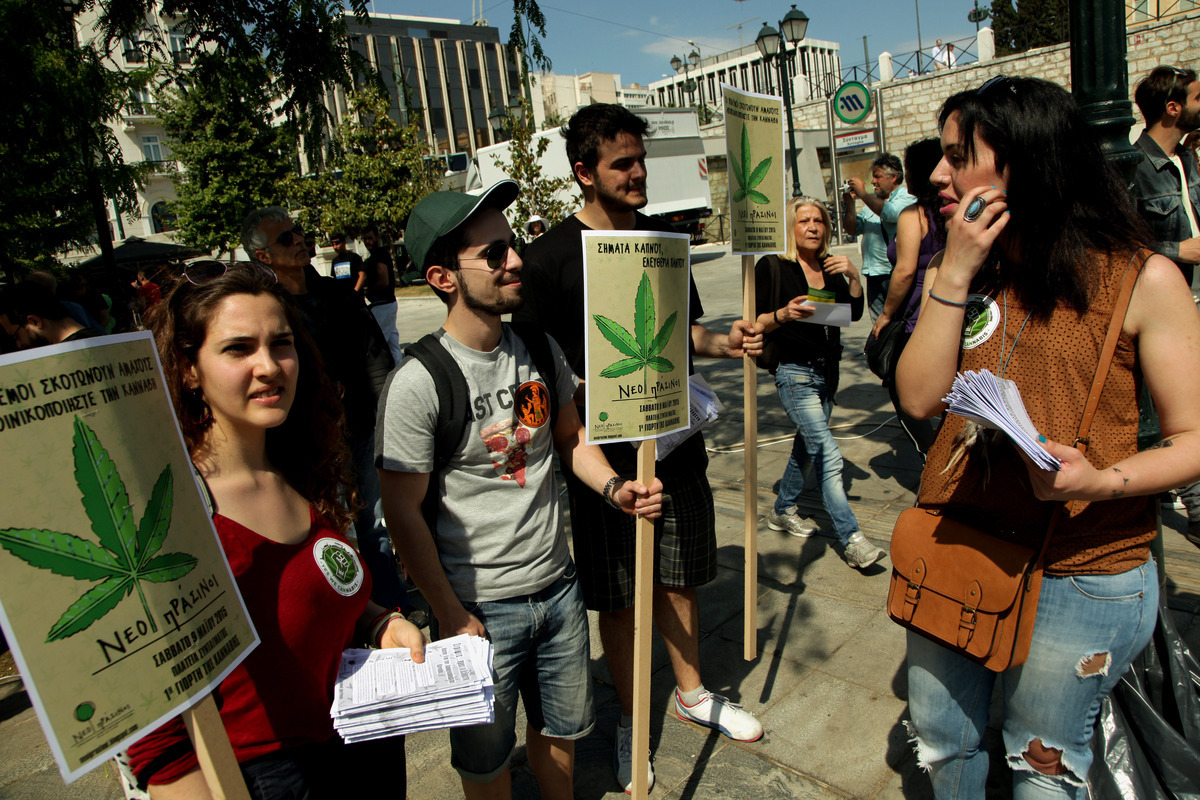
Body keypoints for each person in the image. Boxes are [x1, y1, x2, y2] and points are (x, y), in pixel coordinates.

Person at [895, 75, 1200, 799]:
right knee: (941, 741)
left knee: (1044, 762)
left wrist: (1102, 480)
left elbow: (1193, 437)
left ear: (1027, 161)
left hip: (1084, 566)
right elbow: (916, 396)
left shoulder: (1142, 279)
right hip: (960, 546)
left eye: (958, 154)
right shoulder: (971, 269)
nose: (938, 173)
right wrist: (956, 270)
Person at [376, 181, 663, 800]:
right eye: (494, 254)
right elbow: (402, 512)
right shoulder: (418, 382)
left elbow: (570, 438)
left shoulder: (537, 347)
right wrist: (451, 615)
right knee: (485, 762)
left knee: (562, 735)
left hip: (559, 590)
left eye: (514, 246)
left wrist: (615, 488)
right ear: (442, 276)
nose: (516, 262)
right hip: (479, 611)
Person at [514, 103, 765, 793]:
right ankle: (632, 719)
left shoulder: (662, 240)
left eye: (640, 160)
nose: (638, 173)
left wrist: (724, 342)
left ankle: (691, 692)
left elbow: (685, 334)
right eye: (622, 163)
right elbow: (534, 370)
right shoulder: (549, 260)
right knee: (621, 597)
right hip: (604, 462)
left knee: (680, 574)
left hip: (673, 442)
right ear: (584, 172)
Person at [128, 261, 426, 798]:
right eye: (238, 348)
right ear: (188, 368)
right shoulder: (165, 511)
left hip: (366, 746)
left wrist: (378, 623)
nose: (269, 366)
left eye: (281, 343)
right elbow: (156, 738)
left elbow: (319, 599)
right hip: (268, 780)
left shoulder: (303, 469)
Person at [240, 208, 408, 614]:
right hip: (308, 440)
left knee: (375, 525)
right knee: (333, 531)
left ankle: (391, 605)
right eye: (285, 239)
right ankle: (349, 614)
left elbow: (374, 357)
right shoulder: (267, 312)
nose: (299, 240)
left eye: (297, 233)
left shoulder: (337, 295)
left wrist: (386, 414)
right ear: (263, 257)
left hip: (362, 429)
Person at [753, 197, 883, 568]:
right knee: (827, 454)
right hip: (794, 374)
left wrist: (855, 276)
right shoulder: (774, 266)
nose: (813, 227)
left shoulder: (830, 267)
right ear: (791, 229)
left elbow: (849, 314)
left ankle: (782, 508)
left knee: (808, 447)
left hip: (827, 372)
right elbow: (755, 321)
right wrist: (783, 313)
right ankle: (852, 539)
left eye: (819, 221)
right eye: (804, 221)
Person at [868, 138, 945, 457]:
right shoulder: (951, 209)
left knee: (905, 388)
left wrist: (886, 314)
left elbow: (903, 272)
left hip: (916, 312)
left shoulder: (915, 214)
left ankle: (932, 454)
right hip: (950, 305)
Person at [1130, 66, 1200, 285]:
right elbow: (1121, 245)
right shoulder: (1135, 168)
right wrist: (1177, 250)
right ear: (1173, 108)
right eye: (1198, 98)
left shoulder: (1186, 158)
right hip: (1171, 293)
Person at [844, 153, 916, 319]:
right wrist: (850, 205)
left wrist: (862, 194)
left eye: (878, 177)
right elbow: (852, 229)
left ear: (894, 177)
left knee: (898, 320)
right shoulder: (872, 202)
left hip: (894, 273)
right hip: (873, 273)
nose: (873, 182)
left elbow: (890, 213)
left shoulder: (906, 198)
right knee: (878, 325)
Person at [0, 282, 103, 347]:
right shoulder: (103, 342)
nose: (19, 344)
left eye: (16, 336)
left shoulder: (69, 358)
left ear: (35, 321)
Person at [360, 224, 402, 364]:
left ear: (377, 238)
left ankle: (381, 371)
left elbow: (383, 281)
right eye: (365, 239)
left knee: (378, 341)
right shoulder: (375, 256)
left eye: (370, 238)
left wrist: (369, 291)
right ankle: (398, 368)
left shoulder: (379, 255)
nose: (367, 242)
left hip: (383, 304)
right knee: (392, 342)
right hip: (385, 303)